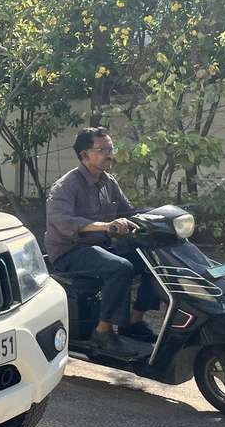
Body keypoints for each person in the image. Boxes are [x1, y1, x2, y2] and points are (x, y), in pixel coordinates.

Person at [45, 127, 161, 360]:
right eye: (103, 149)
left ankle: (133, 323)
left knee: (152, 259)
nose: (110, 154)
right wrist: (107, 226)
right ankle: (103, 332)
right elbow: (64, 222)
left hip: (101, 247)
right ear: (84, 155)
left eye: (111, 149)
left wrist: (156, 216)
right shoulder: (66, 186)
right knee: (120, 268)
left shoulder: (108, 182)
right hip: (70, 251)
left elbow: (128, 212)